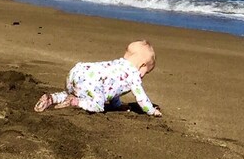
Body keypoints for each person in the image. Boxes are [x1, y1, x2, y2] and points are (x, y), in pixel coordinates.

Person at [34, 40, 162, 117]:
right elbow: (141, 98)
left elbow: (112, 89)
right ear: (142, 65)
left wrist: (117, 105)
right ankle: (75, 102)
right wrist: (151, 110)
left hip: (78, 71)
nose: (143, 75)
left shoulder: (118, 64)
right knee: (98, 105)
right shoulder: (134, 75)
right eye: (146, 72)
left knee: (73, 92)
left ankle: (52, 98)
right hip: (92, 81)